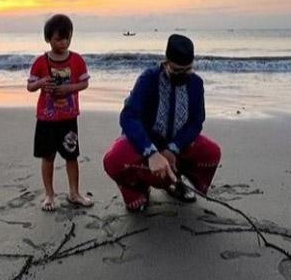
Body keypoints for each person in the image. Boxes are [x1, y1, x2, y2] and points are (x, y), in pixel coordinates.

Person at [103, 34, 221, 212]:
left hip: (177, 145)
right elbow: (129, 116)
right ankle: (137, 189)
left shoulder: (196, 83)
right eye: (176, 70)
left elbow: (197, 122)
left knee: (211, 152)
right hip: (145, 143)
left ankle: (176, 182)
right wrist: (151, 153)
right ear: (166, 62)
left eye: (187, 70)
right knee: (114, 159)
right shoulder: (148, 79)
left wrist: (174, 148)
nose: (182, 75)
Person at [27, 14, 93, 211]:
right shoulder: (41, 62)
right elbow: (30, 86)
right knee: (48, 156)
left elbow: (84, 83)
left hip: (68, 117)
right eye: (58, 39)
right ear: (48, 39)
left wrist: (68, 88)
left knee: (71, 156)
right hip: (46, 118)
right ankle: (49, 194)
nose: (63, 43)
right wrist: (41, 82)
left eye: (67, 38)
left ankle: (74, 193)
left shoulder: (77, 60)